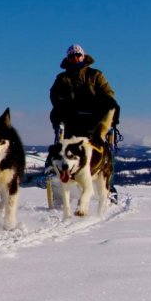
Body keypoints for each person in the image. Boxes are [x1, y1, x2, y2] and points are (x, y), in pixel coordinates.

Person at [49, 43, 120, 202]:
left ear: (83, 56)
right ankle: (63, 190)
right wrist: (64, 108)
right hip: (71, 121)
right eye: (72, 56)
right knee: (64, 154)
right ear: (68, 58)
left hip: (94, 122)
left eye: (78, 55)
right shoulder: (62, 79)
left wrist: (110, 110)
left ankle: (108, 187)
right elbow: (55, 97)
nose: (75, 58)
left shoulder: (95, 75)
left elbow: (108, 94)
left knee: (105, 155)